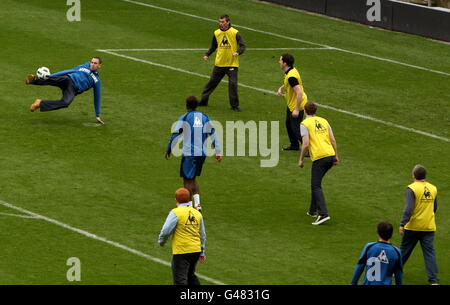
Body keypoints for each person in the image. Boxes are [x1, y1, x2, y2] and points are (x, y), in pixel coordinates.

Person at [165, 96, 222, 212]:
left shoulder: (185, 117)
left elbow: (175, 135)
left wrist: (168, 149)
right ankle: (198, 204)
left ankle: (188, 206)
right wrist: (218, 151)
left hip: (190, 153)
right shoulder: (205, 117)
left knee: (187, 179)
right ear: (196, 105)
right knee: (193, 178)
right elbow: (213, 133)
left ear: (187, 105)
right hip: (202, 153)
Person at [25, 57, 104, 124]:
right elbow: (69, 71)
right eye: (92, 62)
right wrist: (50, 76)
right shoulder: (84, 66)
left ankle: (40, 103)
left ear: (99, 65)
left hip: (73, 89)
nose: (92, 64)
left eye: (95, 63)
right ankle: (34, 80)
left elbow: (97, 96)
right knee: (53, 80)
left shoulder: (96, 80)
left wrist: (97, 114)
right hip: (68, 79)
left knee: (65, 102)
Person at [298, 102, 339, 225]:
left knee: (316, 185)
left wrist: (300, 159)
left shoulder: (304, 124)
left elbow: (305, 144)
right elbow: (332, 139)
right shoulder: (324, 121)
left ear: (305, 111)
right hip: (330, 155)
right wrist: (336, 156)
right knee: (316, 183)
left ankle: (323, 214)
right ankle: (312, 211)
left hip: (320, 157)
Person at [399, 164, 439, 285]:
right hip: (428, 226)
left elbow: (408, 209)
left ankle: (392, 272)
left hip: (413, 226)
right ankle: (434, 281)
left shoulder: (412, 188)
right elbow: (434, 207)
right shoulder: (433, 188)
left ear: (413, 175)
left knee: (404, 251)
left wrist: (402, 224)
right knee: (429, 253)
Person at [158, 188, 206, 285]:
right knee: (190, 276)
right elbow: (202, 234)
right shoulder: (197, 213)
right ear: (189, 200)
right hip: (195, 250)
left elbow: (166, 230)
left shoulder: (176, 212)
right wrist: (202, 252)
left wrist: (161, 241)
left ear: (176, 200)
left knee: (180, 280)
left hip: (182, 251)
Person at [199, 14, 246, 112]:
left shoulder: (235, 32)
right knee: (211, 83)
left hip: (232, 64)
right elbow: (213, 46)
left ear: (228, 22)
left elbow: (243, 46)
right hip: (219, 63)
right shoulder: (216, 33)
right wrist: (207, 54)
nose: (221, 24)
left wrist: (238, 52)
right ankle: (203, 101)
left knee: (233, 85)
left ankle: (234, 106)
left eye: (223, 22)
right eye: (220, 22)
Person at [351, 221, 403, 285]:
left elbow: (360, 266)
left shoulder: (369, 247)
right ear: (391, 235)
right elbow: (398, 274)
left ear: (377, 232)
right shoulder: (396, 251)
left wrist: (353, 283)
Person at [277, 53, 308, 151]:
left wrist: (296, 110)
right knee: (288, 124)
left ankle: (309, 149)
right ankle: (294, 145)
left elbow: (299, 92)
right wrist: (281, 87)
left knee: (297, 130)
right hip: (291, 104)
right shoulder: (291, 71)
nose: (279, 62)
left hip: (297, 105)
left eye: (280, 60)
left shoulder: (291, 77)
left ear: (285, 63)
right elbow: (290, 83)